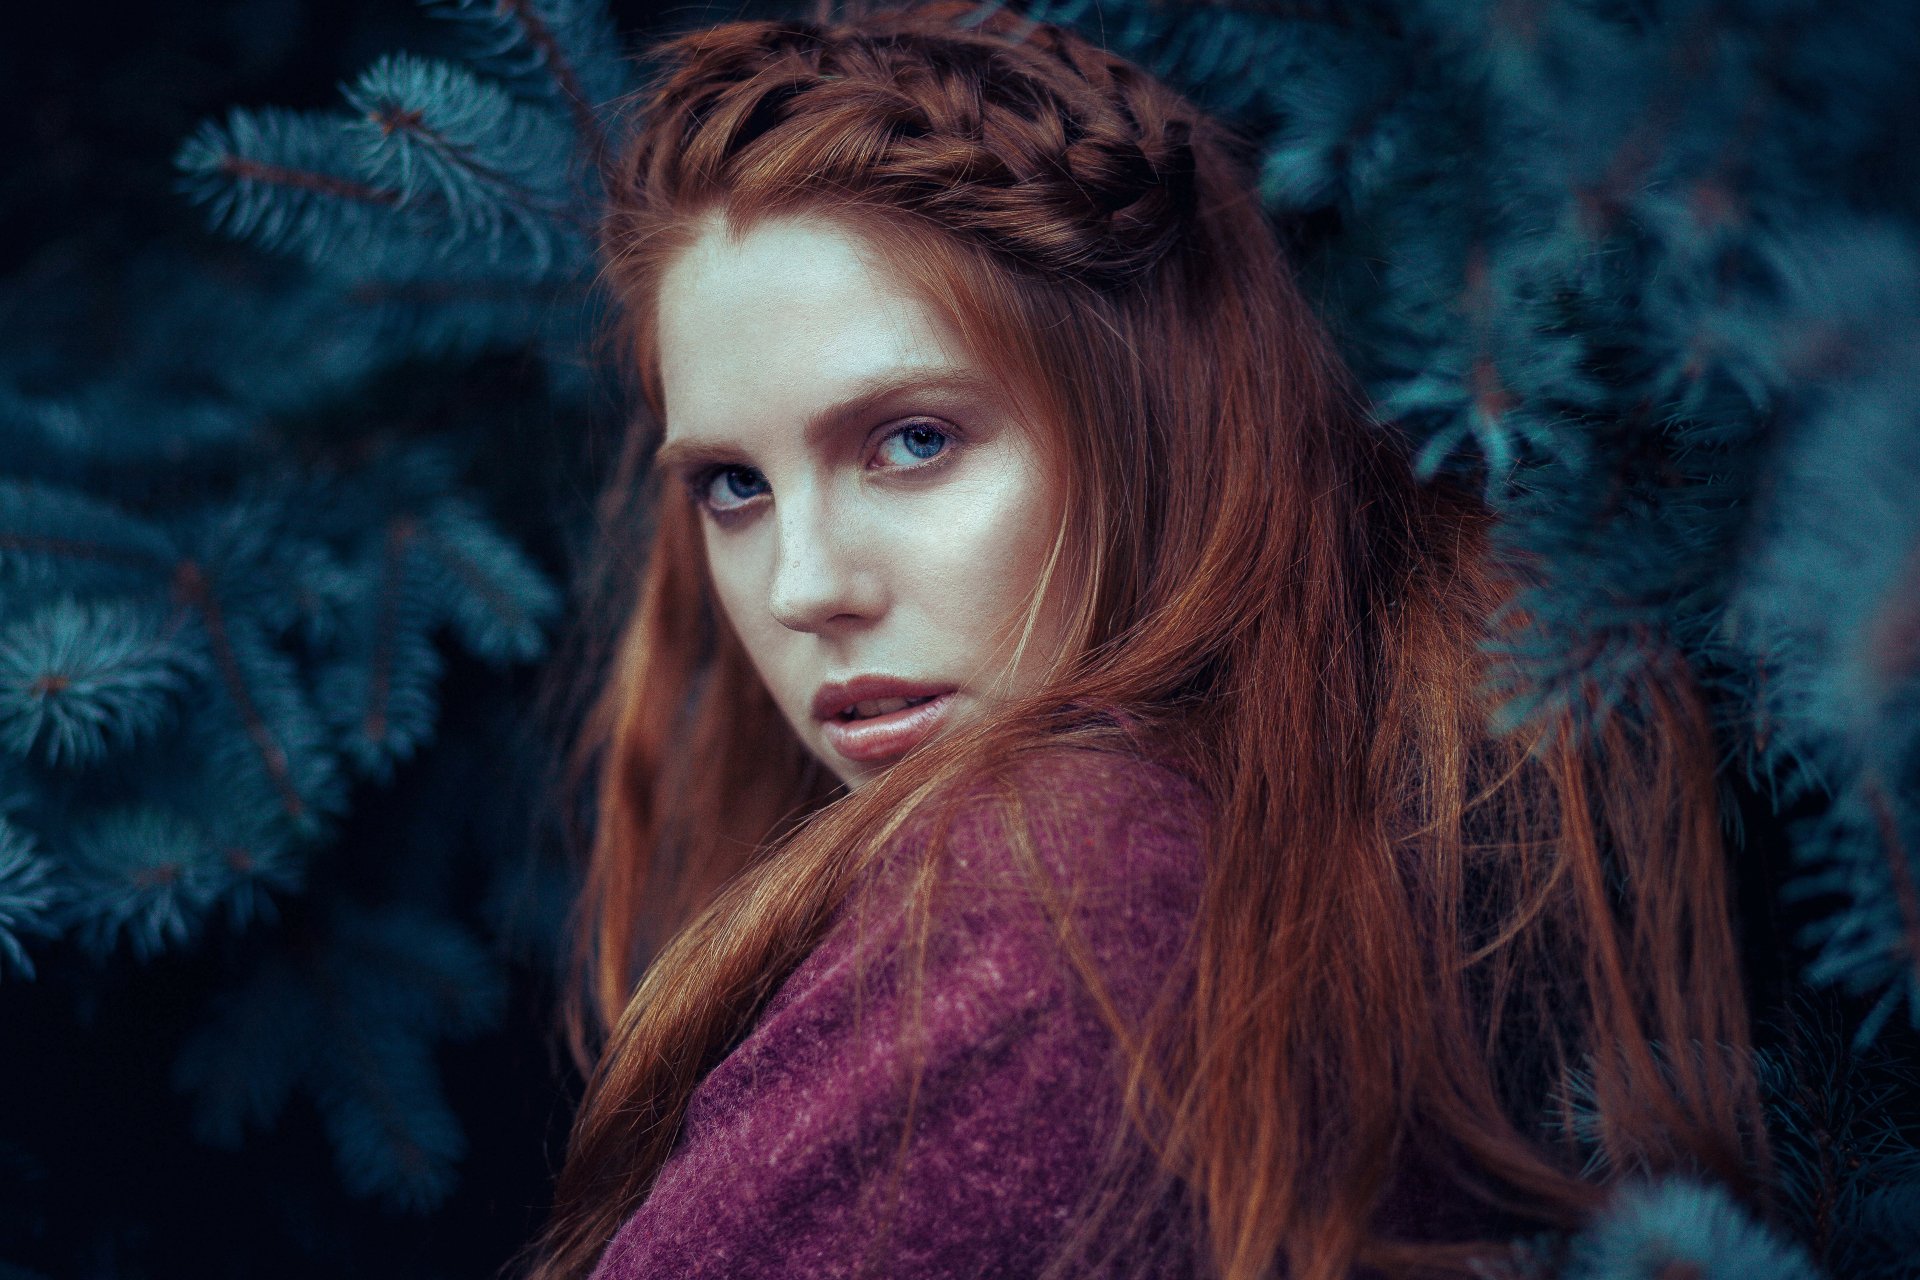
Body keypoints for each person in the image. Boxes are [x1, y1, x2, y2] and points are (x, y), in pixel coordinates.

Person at [514, 4, 1771, 1277]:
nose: (802, 586)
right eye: (735, 484)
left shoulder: (1053, 884)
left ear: (1150, 428)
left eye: (913, 440)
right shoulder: (1340, 860)